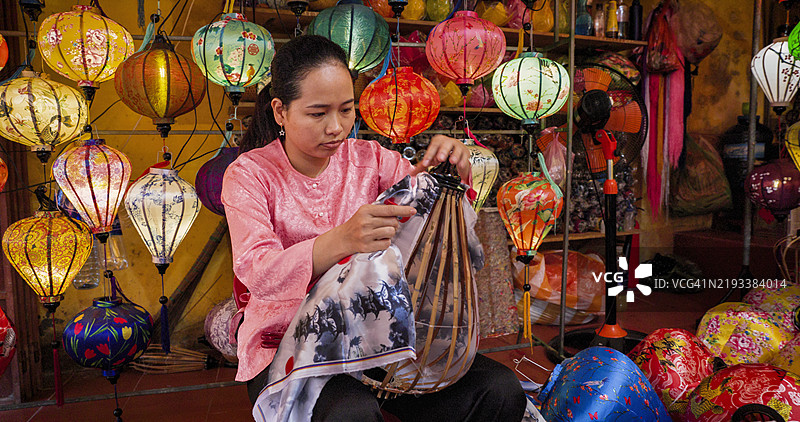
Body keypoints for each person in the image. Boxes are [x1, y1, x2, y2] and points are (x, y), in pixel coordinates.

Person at [222, 35, 526, 422]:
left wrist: (450, 176)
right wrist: (339, 241)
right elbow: (257, 272)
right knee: (352, 414)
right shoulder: (250, 174)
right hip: (286, 339)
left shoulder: (371, 159)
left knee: (497, 390)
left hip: (378, 329)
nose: (336, 127)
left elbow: (430, 222)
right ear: (280, 111)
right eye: (318, 114)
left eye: (346, 110)